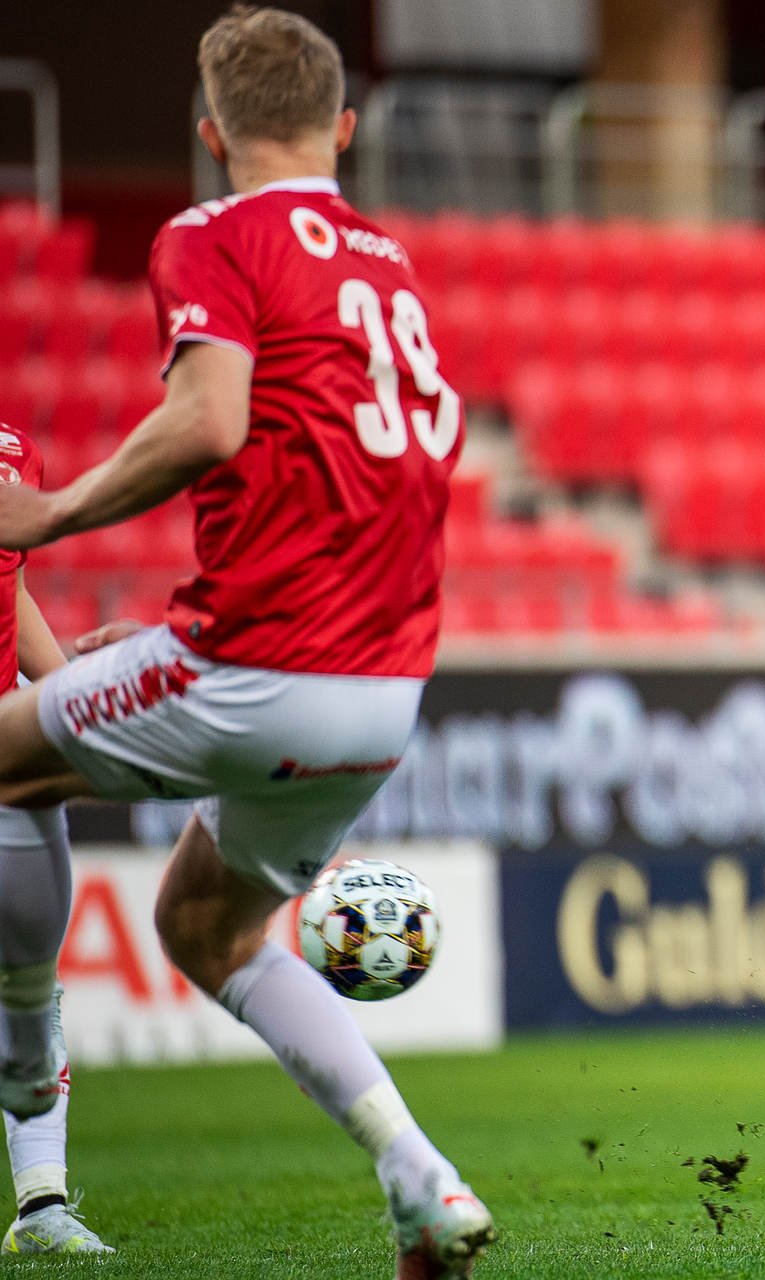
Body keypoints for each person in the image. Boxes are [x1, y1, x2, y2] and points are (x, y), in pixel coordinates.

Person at [0, 8, 490, 1276]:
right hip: (383, 689)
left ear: (210, 133)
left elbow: (210, 422)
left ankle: (32, 1136)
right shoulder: (391, 261)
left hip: (254, 671)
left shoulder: (213, 235)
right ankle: (417, 1174)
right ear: (345, 124)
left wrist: (51, 511)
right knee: (206, 934)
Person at [0, 424, 111, 1255]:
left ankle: (42, 1206)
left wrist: (71, 689)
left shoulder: (16, 447)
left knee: (29, 977)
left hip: (3, 744)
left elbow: (13, 585)